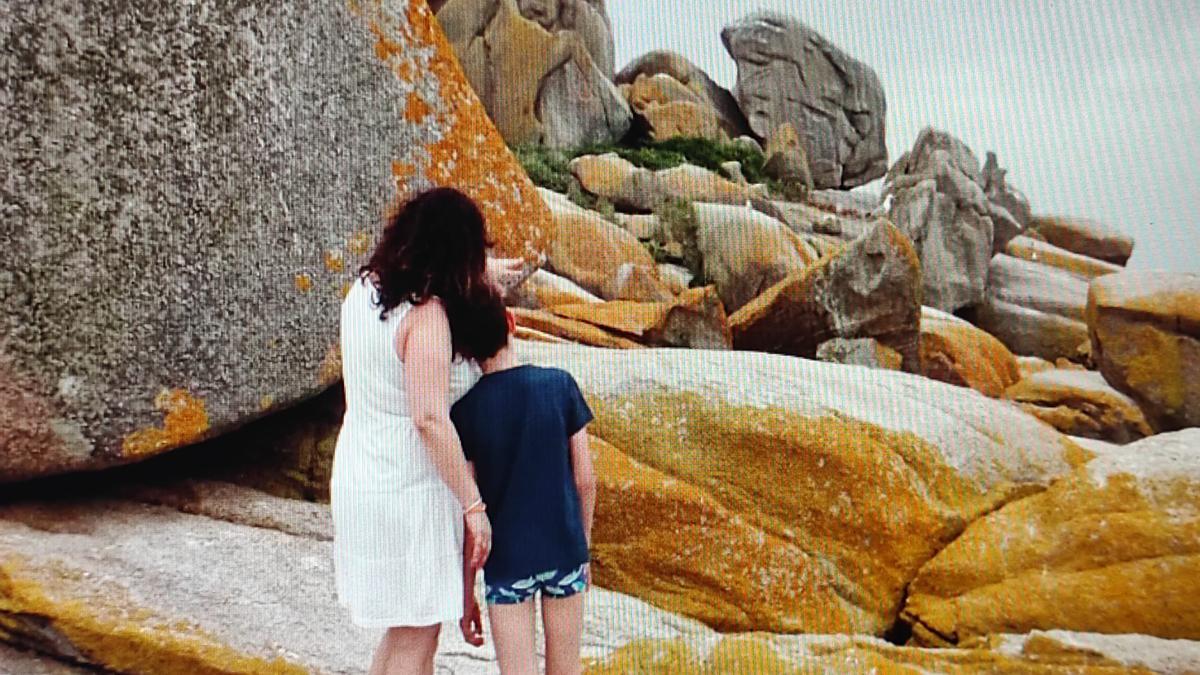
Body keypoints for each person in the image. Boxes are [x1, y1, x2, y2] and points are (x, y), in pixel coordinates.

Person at [330, 187, 525, 675]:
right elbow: (429, 419)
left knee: (402, 629)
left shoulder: (365, 290)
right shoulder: (427, 315)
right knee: (418, 633)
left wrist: (486, 279)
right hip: (408, 486)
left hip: (361, 469)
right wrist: (473, 505)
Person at [450, 296, 598, 675]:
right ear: (511, 323)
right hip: (564, 550)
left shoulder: (465, 412)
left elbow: (472, 513)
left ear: (464, 351)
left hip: (507, 562)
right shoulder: (559, 385)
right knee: (566, 667)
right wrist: (583, 547)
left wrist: (467, 594)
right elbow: (585, 479)